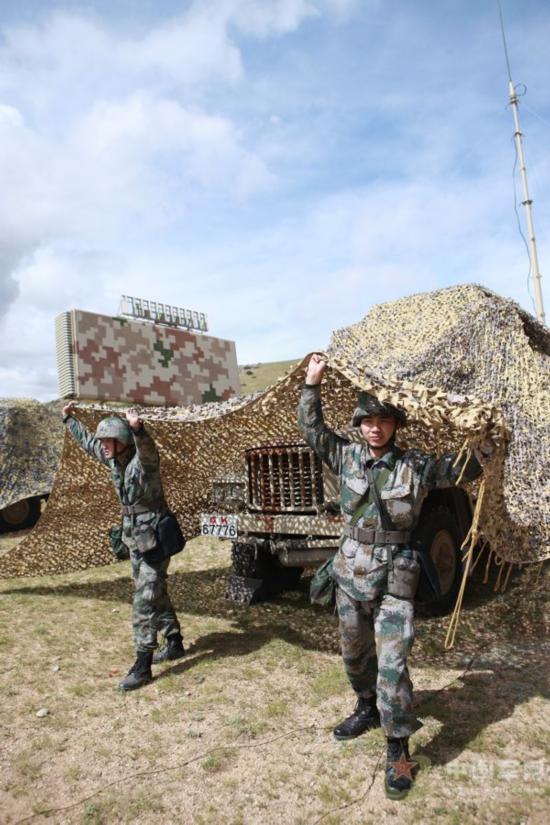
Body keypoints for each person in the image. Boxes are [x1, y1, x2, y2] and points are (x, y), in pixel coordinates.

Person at [298, 354, 492, 800]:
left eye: (384, 421)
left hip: (395, 579)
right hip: (349, 573)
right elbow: (312, 431)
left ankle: (398, 749)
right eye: (368, 421)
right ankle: (366, 707)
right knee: (354, 654)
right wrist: (312, 384)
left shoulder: (415, 466)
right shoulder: (345, 456)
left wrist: (485, 442)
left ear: (394, 426)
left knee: (393, 665)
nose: (375, 429)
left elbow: (461, 470)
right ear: (360, 425)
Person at [62, 401, 185, 691]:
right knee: (155, 592)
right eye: (104, 441)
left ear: (123, 443)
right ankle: (175, 641)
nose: (104, 446)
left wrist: (138, 429)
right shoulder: (114, 460)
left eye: (109, 441)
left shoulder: (143, 464)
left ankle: (142, 666)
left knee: (144, 599)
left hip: (155, 540)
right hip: (135, 540)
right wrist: (68, 421)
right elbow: (89, 444)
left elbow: (149, 451)